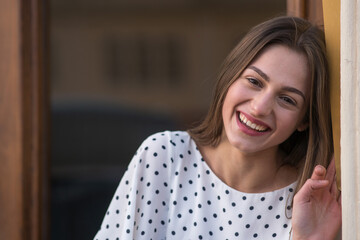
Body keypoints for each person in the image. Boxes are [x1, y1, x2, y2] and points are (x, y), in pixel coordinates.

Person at [94, 16, 341, 240]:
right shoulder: (165, 157)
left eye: (287, 99)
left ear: (304, 121)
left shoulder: (312, 202)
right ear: (230, 77)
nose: (259, 108)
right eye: (254, 81)